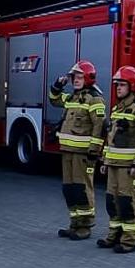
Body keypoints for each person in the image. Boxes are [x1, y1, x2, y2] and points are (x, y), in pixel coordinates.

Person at [48, 60, 106, 240]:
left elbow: (99, 127)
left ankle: (85, 226)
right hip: (68, 151)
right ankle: (74, 223)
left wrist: (94, 151)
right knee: (69, 189)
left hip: (83, 154)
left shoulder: (95, 99)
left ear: (88, 78)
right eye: (74, 77)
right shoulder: (72, 97)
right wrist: (57, 85)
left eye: (79, 77)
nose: (76, 80)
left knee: (82, 189)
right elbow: (54, 100)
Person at [97, 66, 135, 253]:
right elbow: (110, 137)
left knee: (128, 203)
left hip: (129, 167)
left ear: (133, 86)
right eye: (117, 85)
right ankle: (114, 235)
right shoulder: (117, 108)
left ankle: (129, 240)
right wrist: (105, 160)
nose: (118, 88)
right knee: (112, 202)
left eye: (122, 85)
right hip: (113, 164)